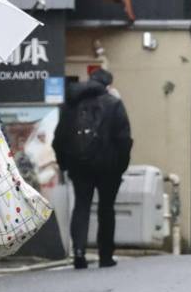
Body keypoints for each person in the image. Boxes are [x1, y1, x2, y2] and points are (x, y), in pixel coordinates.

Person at [52, 66, 133, 270]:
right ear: (108, 84)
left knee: (81, 206)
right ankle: (106, 256)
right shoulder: (114, 104)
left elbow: (59, 139)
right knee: (106, 209)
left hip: (79, 166)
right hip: (109, 167)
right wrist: (121, 166)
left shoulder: (71, 104)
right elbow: (124, 139)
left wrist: (64, 164)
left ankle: (79, 253)